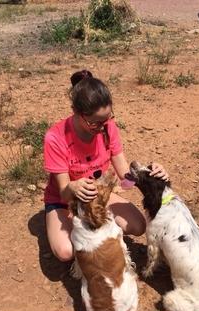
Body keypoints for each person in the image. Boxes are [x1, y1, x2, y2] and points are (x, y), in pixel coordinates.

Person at [43, 70, 169, 262]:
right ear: (77, 112)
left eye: (107, 119)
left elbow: (126, 176)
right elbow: (63, 193)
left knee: (137, 226)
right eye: (96, 123)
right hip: (65, 202)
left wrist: (150, 173)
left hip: (98, 195)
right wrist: (73, 187)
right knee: (66, 252)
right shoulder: (56, 137)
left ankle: (97, 228)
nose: (103, 127)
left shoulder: (108, 128)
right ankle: (66, 225)